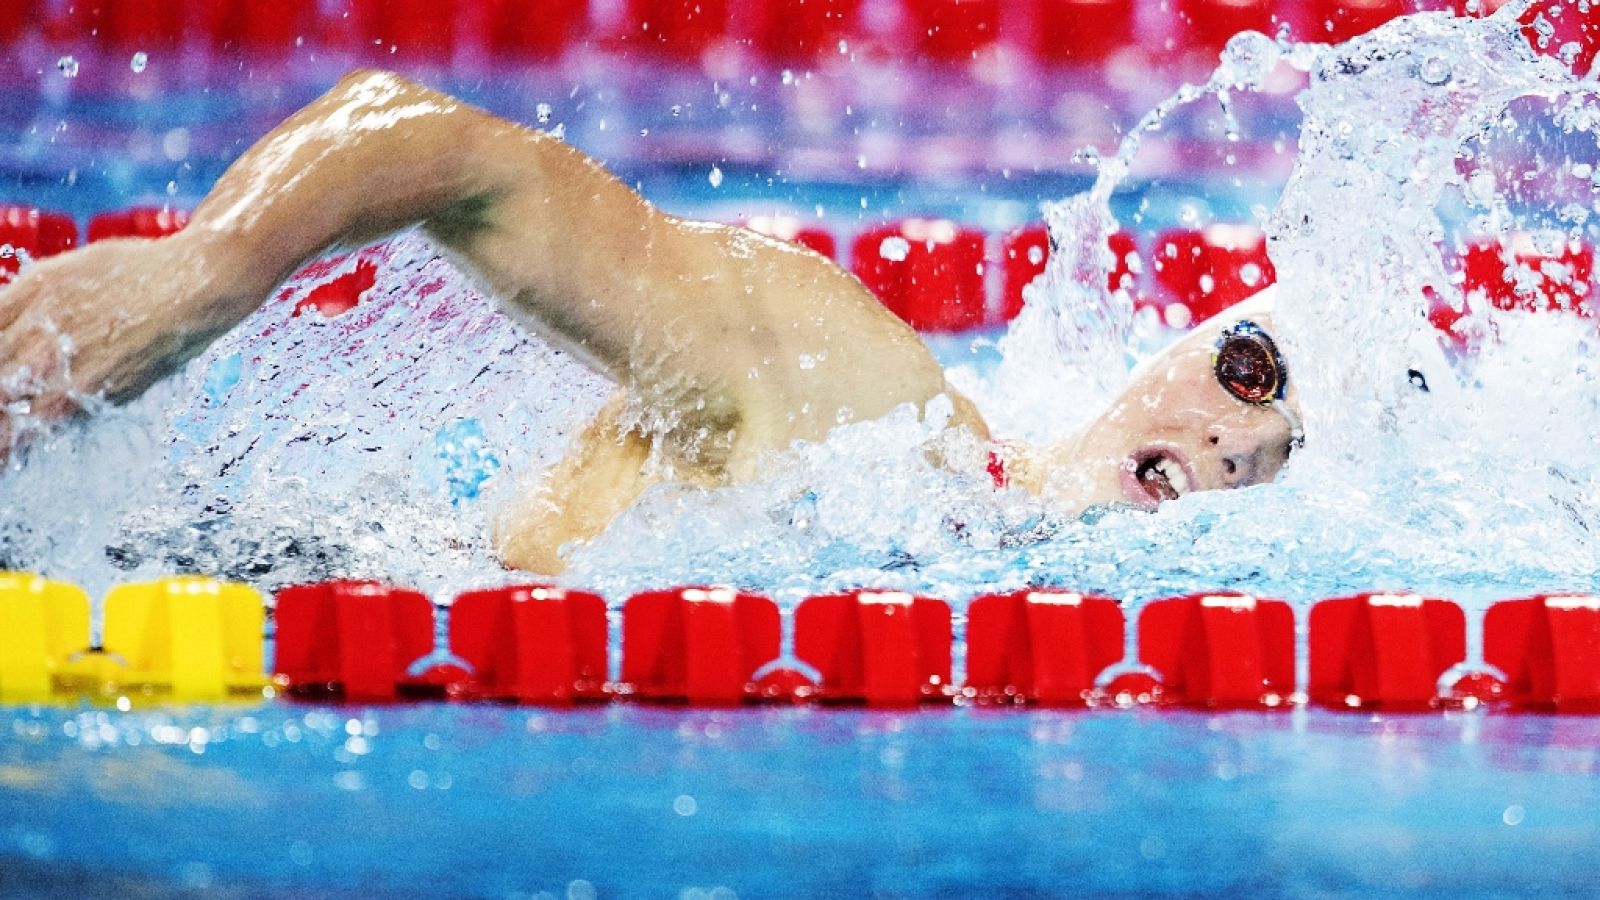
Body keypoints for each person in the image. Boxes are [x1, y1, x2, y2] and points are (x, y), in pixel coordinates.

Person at [0, 70, 1300, 575]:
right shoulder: (868, 404)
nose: (1248, 443)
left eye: (1290, 457)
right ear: (1175, 348)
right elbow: (455, 153)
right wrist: (211, 268)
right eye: (1253, 372)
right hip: (275, 589)